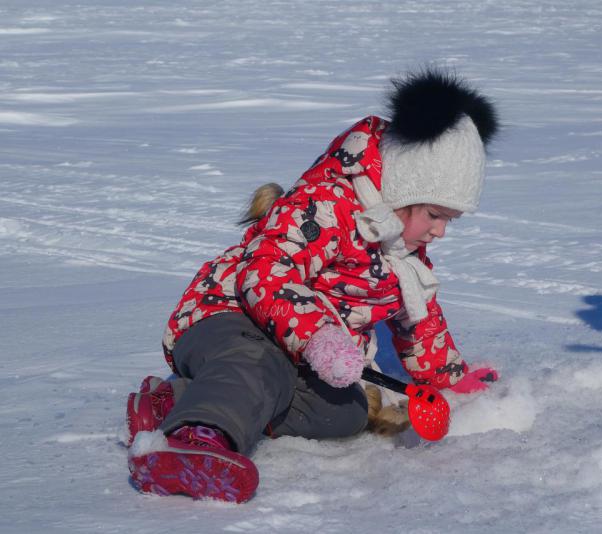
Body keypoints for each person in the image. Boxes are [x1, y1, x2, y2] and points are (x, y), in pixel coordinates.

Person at [125, 68, 500, 503]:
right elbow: (264, 273)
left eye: (448, 221)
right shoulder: (327, 206)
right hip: (227, 316)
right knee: (254, 362)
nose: (439, 231)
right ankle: (196, 440)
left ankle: (174, 399)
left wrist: (450, 380)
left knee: (343, 414)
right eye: (434, 215)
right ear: (403, 188)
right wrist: (319, 338)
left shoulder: (401, 253)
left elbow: (419, 320)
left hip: (299, 354)